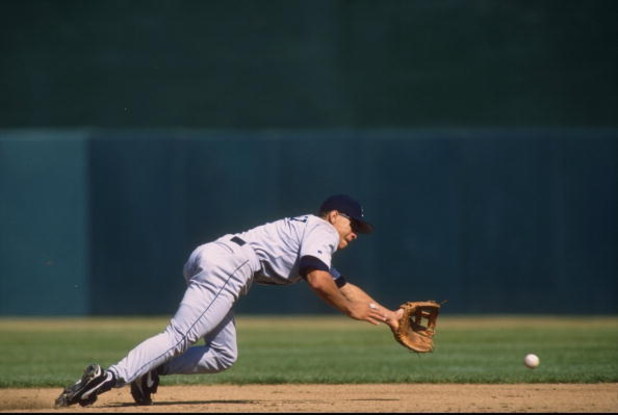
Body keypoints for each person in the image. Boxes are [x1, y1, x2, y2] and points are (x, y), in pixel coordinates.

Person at [55, 194, 402, 407]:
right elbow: (318, 279)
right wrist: (348, 309)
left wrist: (390, 316)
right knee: (179, 336)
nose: (355, 231)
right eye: (352, 222)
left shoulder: (310, 231)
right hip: (231, 266)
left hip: (214, 257)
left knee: (223, 355)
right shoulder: (322, 230)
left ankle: (150, 370)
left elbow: (343, 285)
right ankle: (109, 377)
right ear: (334, 216)